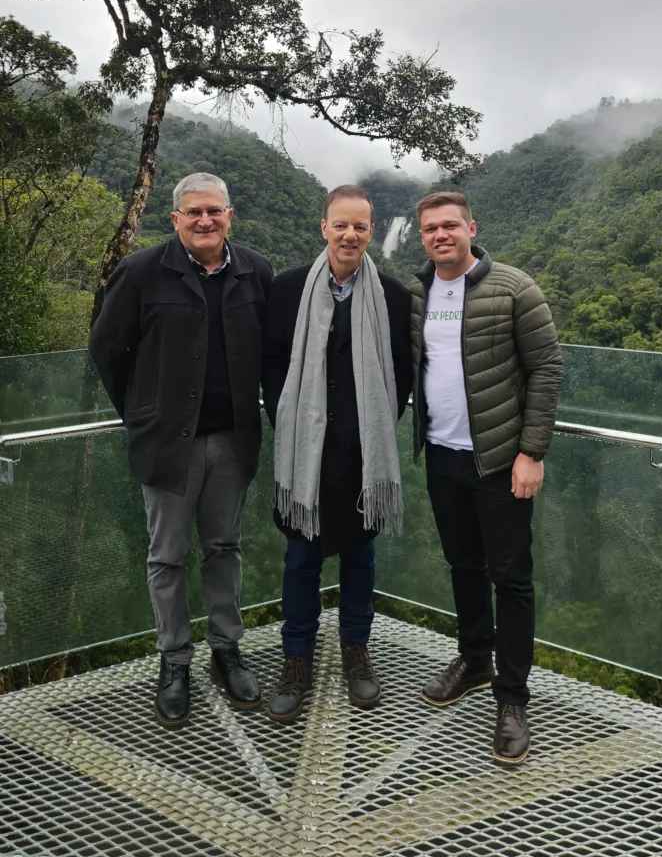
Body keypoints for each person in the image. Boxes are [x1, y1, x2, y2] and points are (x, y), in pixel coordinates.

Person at [89, 172, 272, 727]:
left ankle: (226, 650)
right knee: (166, 556)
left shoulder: (255, 271)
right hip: (169, 447)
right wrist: (143, 417)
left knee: (224, 548)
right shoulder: (143, 271)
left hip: (233, 442)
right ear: (174, 219)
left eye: (214, 211)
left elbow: (270, 352)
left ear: (229, 215)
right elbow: (106, 349)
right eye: (192, 212)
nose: (204, 221)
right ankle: (174, 662)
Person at [409, 191, 563, 764]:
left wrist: (532, 452)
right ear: (421, 235)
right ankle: (474, 659)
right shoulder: (417, 293)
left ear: (471, 227)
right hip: (443, 457)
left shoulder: (514, 288)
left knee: (512, 578)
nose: (440, 235)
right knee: (463, 565)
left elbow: (547, 366)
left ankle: (513, 698)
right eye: (430, 228)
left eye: (450, 225)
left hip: (499, 460)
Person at [262, 184, 411, 723]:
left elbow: (402, 372)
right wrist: (291, 420)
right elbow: (272, 362)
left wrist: (368, 428)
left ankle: (355, 651)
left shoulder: (393, 296)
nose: (351, 235)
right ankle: (296, 658)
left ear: (372, 231)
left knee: (359, 555)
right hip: (304, 454)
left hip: (362, 454)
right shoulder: (286, 290)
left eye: (361, 227)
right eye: (341, 225)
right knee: (300, 557)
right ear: (323, 227)